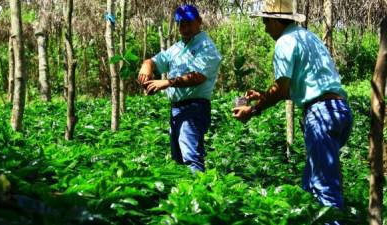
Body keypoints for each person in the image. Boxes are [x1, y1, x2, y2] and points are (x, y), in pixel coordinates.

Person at [233, 0, 353, 213]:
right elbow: (296, 88)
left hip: (321, 115)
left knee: (325, 189)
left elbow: (280, 90)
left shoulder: (285, 42)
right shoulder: (308, 37)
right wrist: (262, 95)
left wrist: (253, 110)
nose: (264, 27)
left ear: (277, 22)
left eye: (266, 22)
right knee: (309, 186)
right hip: (340, 110)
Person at [137, 4, 222, 173]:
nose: (184, 27)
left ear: (199, 21)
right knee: (178, 159)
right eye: (181, 23)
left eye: (188, 23)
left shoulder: (207, 47)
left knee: (191, 157)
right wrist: (147, 66)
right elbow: (155, 61)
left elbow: (198, 76)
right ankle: (182, 195)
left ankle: (201, 195)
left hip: (194, 107)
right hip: (176, 109)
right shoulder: (177, 48)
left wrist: (168, 82)